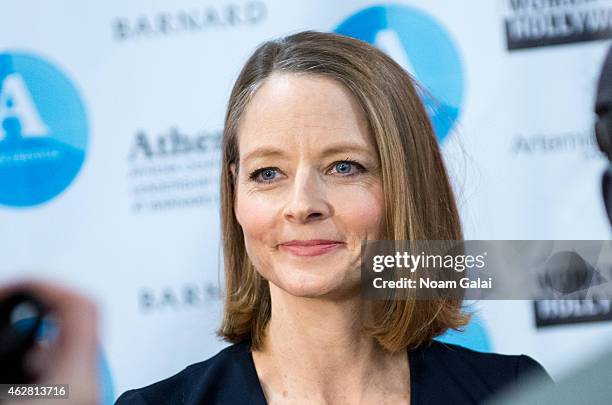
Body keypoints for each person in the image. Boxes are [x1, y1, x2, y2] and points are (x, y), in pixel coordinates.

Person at [113, 30, 552, 404]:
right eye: (268, 173)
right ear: (234, 192)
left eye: (344, 167)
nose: (302, 204)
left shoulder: (513, 391)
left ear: (406, 184)